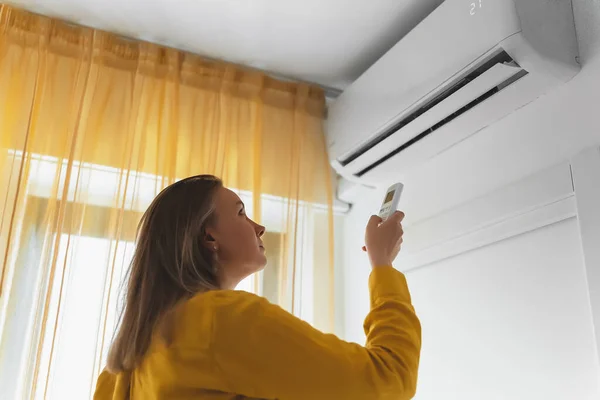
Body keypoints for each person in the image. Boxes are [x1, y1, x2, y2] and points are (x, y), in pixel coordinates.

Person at [94, 175, 421, 400]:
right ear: (209, 237)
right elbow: (388, 379)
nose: (259, 227)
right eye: (240, 213)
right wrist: (382, 265)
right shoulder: (220, 319)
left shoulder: (127, 360)